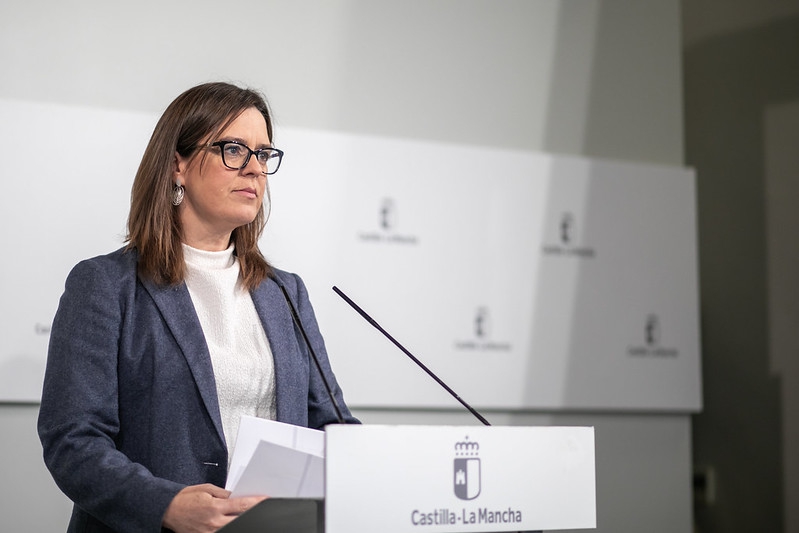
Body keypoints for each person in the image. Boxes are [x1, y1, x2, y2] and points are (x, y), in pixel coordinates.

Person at [37, 82, 358, 533]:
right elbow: (73, 440)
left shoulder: (286, 292)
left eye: (264, 154)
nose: (255, 169)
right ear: (178, 165)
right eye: (234, 150)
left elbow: (332, 426)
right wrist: (164, 505)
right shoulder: (106, 286)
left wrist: (386, 464)